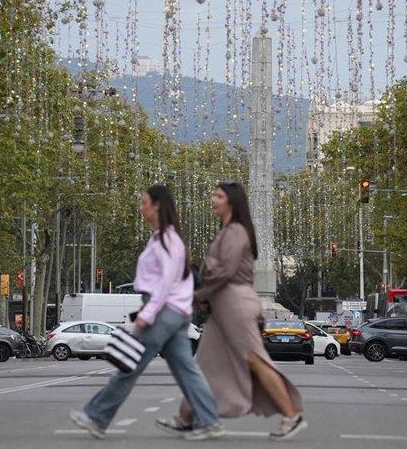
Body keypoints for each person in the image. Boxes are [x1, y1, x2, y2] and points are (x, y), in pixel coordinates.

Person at [71, 185, 223, 440]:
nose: (141, 207)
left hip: (164, 310)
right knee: (186, 368)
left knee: (129, 364)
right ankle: (209, 421)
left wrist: (147, 313)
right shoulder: (161, 237)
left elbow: (165, 282)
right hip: (173, 311)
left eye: (144, 202)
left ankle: (96, 416)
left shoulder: (167, 240)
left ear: (157, 206)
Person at [157, 181, 307, 440]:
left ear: (232, 202)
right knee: (205, 362)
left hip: (235, 304)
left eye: (218, 195)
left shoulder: (237, 232)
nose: (213, 199)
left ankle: (291, 415)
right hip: (221, 305)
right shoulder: (227, 231)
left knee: (253, 359)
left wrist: (197, 295)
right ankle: (187, 417)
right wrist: (204, 296)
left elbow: (225, 271)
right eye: (213, 194)